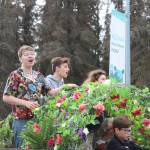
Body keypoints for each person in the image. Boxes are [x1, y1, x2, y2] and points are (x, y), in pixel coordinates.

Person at [3, 45, 50, 149]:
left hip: (39, 121)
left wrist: (65, 87)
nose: (30, 56)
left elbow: (49, 92)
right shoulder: (15, 75)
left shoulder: (39, 76)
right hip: (22, 122)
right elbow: (6, 97)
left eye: (32, 54)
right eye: (26, 54)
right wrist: (26, 103)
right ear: (20, 58)